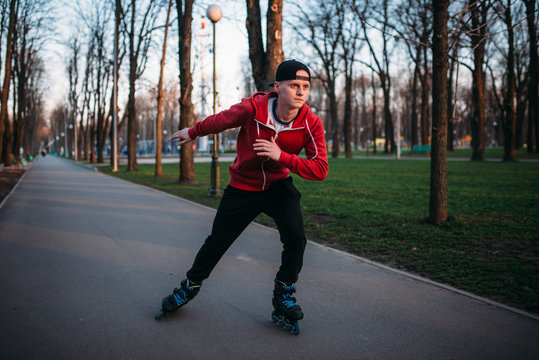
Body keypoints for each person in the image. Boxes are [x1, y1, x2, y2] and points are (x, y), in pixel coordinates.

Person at [160, 59, 328, 331]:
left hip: (278, 186)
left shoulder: (311, 123)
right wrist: (193, 131)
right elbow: (221, 120)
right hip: (243, 187)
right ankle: (189, 286)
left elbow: (320, 169)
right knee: (217, 241)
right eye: (294, 85)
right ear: (277, 87)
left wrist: (281, 157)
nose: (300, 92)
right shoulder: (253, 108)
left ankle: (283, 293)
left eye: (305, 87)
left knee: (297, 237)